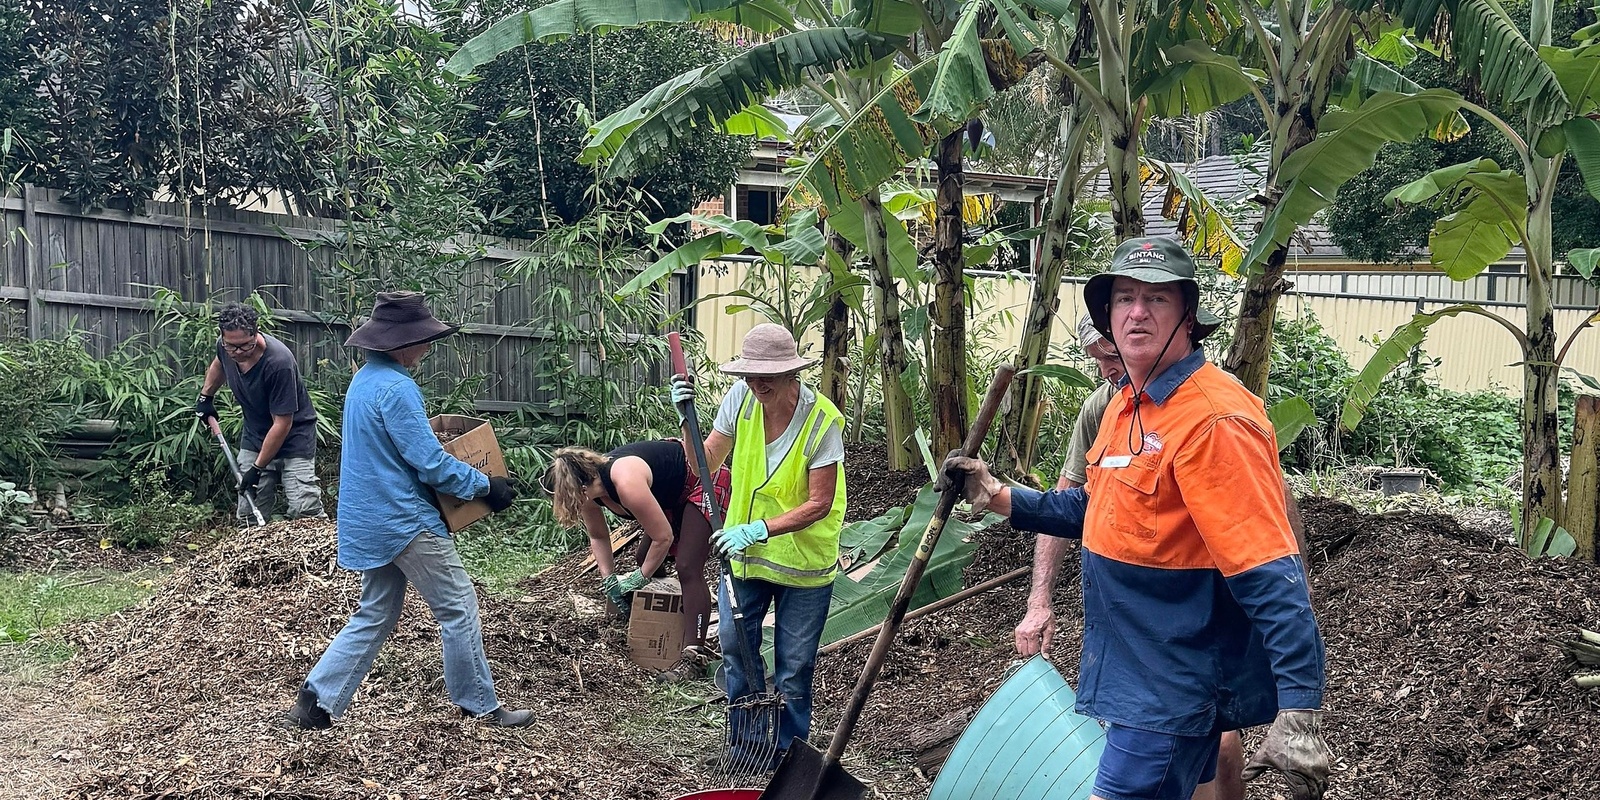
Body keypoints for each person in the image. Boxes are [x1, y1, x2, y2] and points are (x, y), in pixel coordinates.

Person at [943, 237, 1331, 800]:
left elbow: (1271, 573)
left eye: (1157, 299)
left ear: (1189, 318)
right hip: (1137, 669)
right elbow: (1098, 510)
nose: (1137, 312)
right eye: (1124, 298)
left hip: (1171, 685)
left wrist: (1300, 710)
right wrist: (998, 495)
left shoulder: (1214, 419)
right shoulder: (1128, 405)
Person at [282, 291, 531, 730]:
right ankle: (479, 705)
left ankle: (316, 701)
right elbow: (430, 463)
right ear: (400, 342)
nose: (428, 346)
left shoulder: (365, 381)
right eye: (423, 338)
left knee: (375, 612)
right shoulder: (398, 388)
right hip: (404, 521)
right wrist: (484, 486)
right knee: (458, 606)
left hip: (368, 518)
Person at [671, 323, 846, 772]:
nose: (757, 383)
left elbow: (820, 502)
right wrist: (686, 422)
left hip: (804, 566)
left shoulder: (822, 420)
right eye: (750, 374)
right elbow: (703, 464)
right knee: (738, 653)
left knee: (794, 667)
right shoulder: (740, 401)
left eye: (768, 374)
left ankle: (787, 757)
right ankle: (746, 749)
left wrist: (759, 529)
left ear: (793, 373)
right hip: (744, 561)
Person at [545, 441, 729, 682]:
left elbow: (663, 538)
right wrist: (609, 579)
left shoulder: (625, 481)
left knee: (687, 566)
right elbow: (598, 535)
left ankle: (694, 656)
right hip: (672, 493)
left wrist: (638, 578)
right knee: (644, 557)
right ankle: (665, 617)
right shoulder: (589, 494)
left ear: (579, 488)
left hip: (703, 478)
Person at [196, 302, 324, 521]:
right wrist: (206, 396)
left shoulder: (278, 363)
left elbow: (282, 424)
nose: (237, 352)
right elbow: (219, 363)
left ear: (256, 334)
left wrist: (257, 469)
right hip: (255, 436)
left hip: (294, 439)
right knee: (249, 512)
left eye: (245, 346)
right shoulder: (226, 347)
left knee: (305, 510)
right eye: (231, 346)